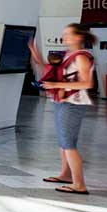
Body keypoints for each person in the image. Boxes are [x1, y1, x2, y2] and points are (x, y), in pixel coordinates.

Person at [29, 24, 96, 195]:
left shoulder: (82, 57)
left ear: (79, 37)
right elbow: (56, 71)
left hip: (73, 103)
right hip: (62, 100)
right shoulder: (70, 55)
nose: (64, 37)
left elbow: (87, 83)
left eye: (68, 34)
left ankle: (79, 184)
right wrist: (38, 58)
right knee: (63, 142)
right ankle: (66, 175)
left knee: (68, 143)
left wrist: (55, 84)